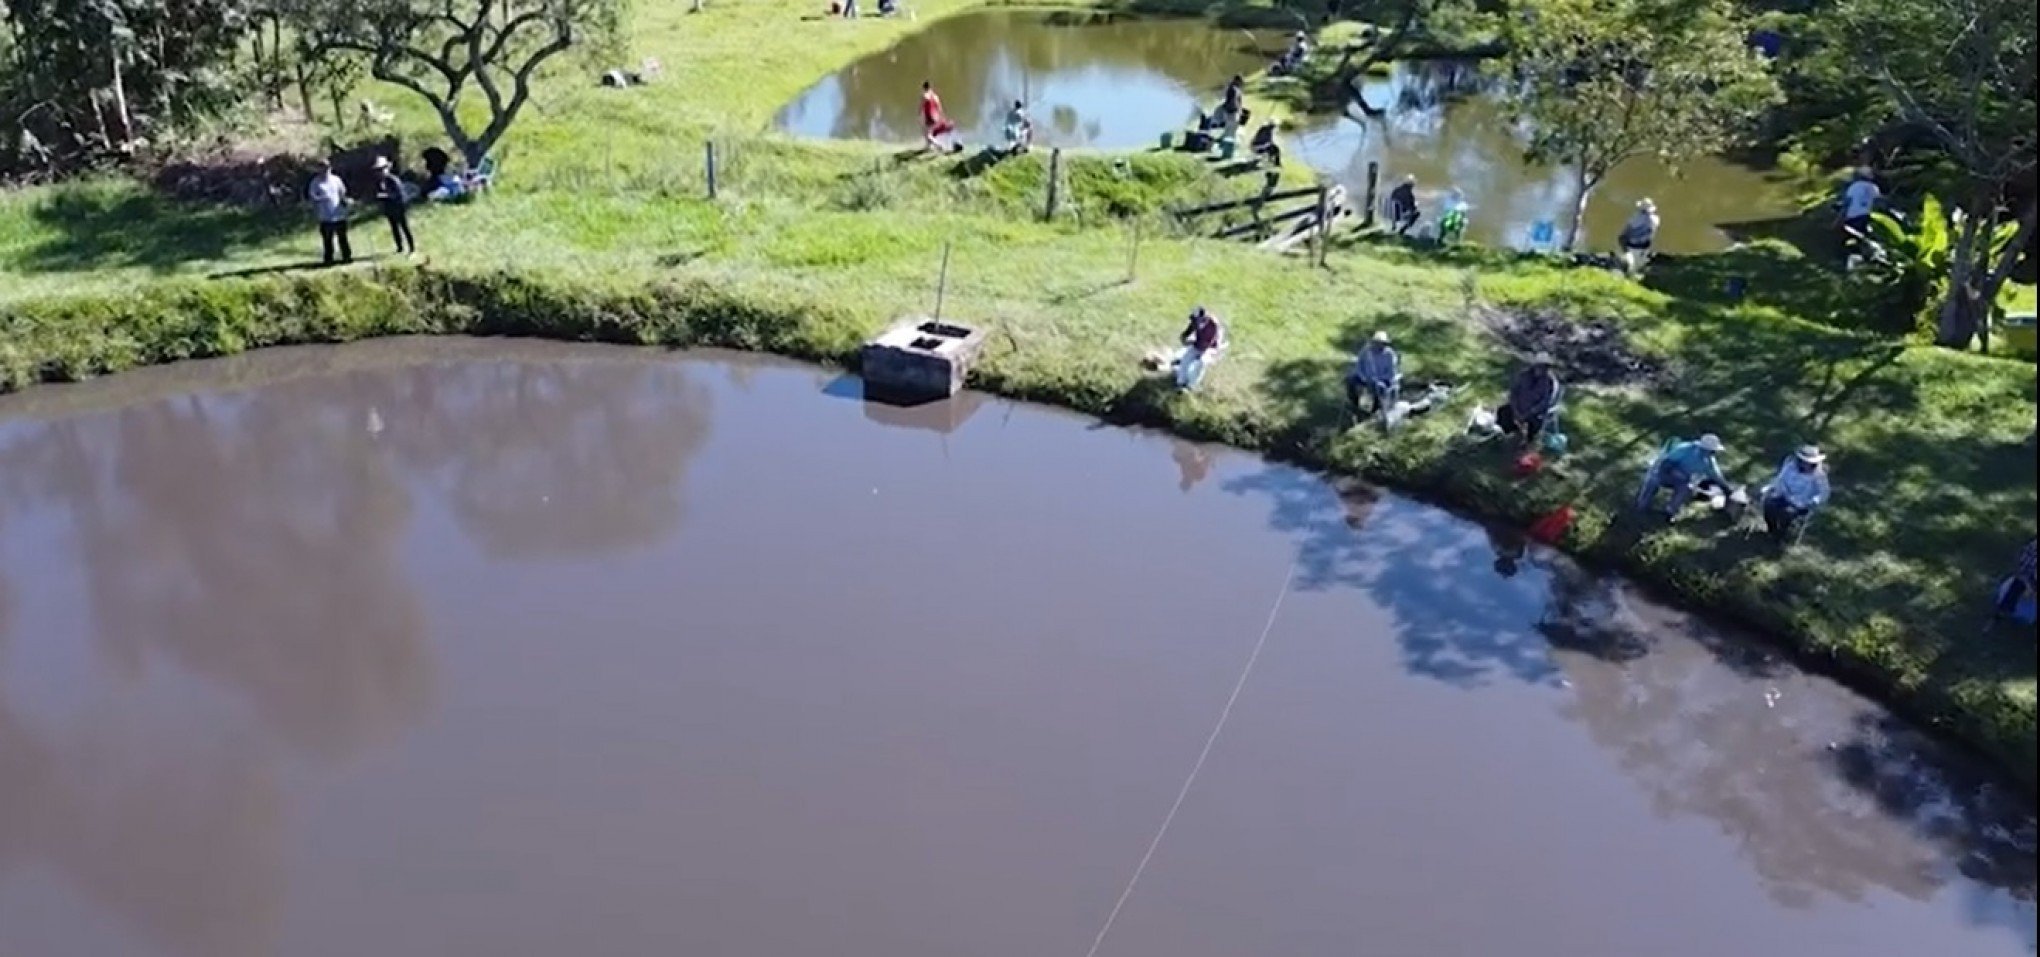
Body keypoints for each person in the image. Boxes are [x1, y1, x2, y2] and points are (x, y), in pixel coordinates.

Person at [1636, 434, 1730, 517]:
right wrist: (1674, 472)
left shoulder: (1709, 461)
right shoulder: (1684, 449)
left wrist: (1727, 490)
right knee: (1653, 480)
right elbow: (1665, 463)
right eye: (1712, 451)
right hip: (1663, 471)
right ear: (1705, 449)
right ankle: (1642, 505)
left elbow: (1716, 476)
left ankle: (1669, 512)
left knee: (1686, 489)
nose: (1713, 453)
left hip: (1681, 480)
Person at [1761, 445, 1830, 544]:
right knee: (1768, 505)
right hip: (1783, 495)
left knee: (1786, 513)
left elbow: (1824, 493)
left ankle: (1780, 535)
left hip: (1802, 503)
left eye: (1809, 463)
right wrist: (1774, 489)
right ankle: (1772, 530)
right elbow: (1780, 479)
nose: (1806, 464)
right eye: (1804, 461)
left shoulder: (1819, 476)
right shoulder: (1790, 466)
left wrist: (1814, 501)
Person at [1495, 356, 1561, 445]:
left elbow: (1545, 402)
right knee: (1503, 411)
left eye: (1545, 367)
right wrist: (1515, 409)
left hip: (1535, 412)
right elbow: (1514, 392)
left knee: (1535, 424)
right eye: (1539, 366)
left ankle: (1527, 442)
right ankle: (1508, 433)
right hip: (1518, 407)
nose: (1541, 369)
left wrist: (1529, 412)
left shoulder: (1550, 382)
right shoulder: (1524, 375)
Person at [1345, 331, 1401, 421]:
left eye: (1381, 343)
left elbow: (1391, 373)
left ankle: (1376, 411)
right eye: (1376, 343)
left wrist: (1380, 381)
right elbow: (1359, 366)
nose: (1378, 345)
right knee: (1350, 380)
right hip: (1366, 378)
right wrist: (1364, 377)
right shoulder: (1366, 351)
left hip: (1382, 381)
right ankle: (1354, 405)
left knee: (1381, 389)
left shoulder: (1390, 354)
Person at [308, 159, 352, 266]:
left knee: (343, 237)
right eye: (322, 168)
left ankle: (347, 257)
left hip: (339, 214)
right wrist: (321, 198)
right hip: (325, 216)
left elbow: (342, 193)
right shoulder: (315, 182)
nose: (325, 170)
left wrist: (346, 202)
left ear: (330, 168)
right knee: (327, 240)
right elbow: (312, 196)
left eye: (327, 168)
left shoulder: (336, 180)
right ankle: (329, 259)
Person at [1175, 306, 1226, 390]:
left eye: (1197, 319)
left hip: (1211, 348)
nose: (1195, 322)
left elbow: (1207, 344)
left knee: (1201, 362)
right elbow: (1187, 333)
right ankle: (1180, 383)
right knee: (1185, 360)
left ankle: (1192, 386)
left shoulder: (1213, 325)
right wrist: (1184, 338)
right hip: (1198, 344)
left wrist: (1192, 342)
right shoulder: (1195, 322)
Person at [372, 156, 416, 256]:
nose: (380, 172)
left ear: (387, 168)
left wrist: (386, 195)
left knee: (405, 227)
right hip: (389, 208)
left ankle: (412, 248)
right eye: (378, 170)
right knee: (394, 228)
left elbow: (399, 194)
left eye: (382, 169)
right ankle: (400, 247)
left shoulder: (393, 180)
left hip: (399, 207)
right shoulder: (379, 182)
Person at [1838, 167, 1882, 261]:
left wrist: (1839, 219)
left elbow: (1847, 204)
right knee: (1867, 239)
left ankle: (1851, 259)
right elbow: (1878, 203)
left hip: (1853, 217)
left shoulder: (1853, 187)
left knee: (1851, 241)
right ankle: (1869, 258)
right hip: (1869, 216)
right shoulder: (1874, 188)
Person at [1995, 539, 2036, 621]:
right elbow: (2021, 569)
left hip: (2028, 578)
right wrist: (2029, 587)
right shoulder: (2033, 547)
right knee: (2017, 586)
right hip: (2025, 578)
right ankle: (2003, 610)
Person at [1619, 198, 1659, 276]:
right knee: (1638, 265)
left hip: (1632, 245)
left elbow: (1626, 232)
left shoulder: (1635, 219)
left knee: (1628, 264)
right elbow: (1652, 234)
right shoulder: (1656, 219)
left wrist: (1623, 242)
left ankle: (1627, 275)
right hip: (1645, 246)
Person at [920, 81, 957, 152]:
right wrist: (942, 117)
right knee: (930, 133)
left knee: (927, 135)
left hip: (929, 117)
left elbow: (921, 107)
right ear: (930, 87)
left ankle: (939, 146)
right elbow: (940, 108)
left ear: (924, 88)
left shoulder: (924, 96)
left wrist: (919, 117)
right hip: (936, 117)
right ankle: (928, 148)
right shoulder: (935, 96)